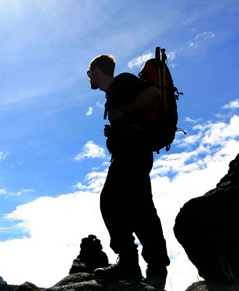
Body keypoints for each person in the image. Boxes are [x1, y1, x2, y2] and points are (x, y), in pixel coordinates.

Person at [87, 55, 170, 289]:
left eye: (89, 72)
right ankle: (154, 268)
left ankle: (130, 263)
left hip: (132, 153)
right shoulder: (113, 92)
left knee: (111, 202)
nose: (89, 77)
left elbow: (153, 92)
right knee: (140, 208)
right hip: (132, 153)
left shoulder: (122, 81)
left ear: (97, 70)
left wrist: (122, 112)